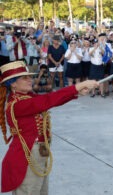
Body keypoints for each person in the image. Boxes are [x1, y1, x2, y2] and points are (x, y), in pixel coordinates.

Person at [0, 61, 99, 194]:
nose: (30, 79)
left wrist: (77, 93)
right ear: (13, 83)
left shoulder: (26, 97)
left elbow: (51, 100)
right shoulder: (16, 104)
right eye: (25, 77)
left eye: (29, 76)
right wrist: (78, 86)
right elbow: (48, 100)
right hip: (27, 155)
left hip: (37, 152)